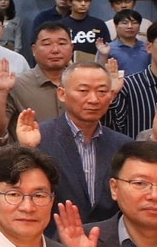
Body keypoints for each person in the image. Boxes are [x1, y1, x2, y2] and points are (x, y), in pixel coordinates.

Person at [15, 62, 134, 226]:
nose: (93, 99)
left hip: (108, 243)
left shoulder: (123, 145)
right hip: (53, 242)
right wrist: (27, 149)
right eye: (83, 91)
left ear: (111, 96)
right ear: (62, 94)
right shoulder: (38, 138)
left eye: (102, 91)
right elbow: (19, 190)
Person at [4, 21, 75, 138]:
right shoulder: (17, 84)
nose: (55, 50)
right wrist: (1, 92)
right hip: (31, 154)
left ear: (71, 48)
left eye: (62, 43)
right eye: (47, 44)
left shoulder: (82, 83)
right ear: (33, 49)